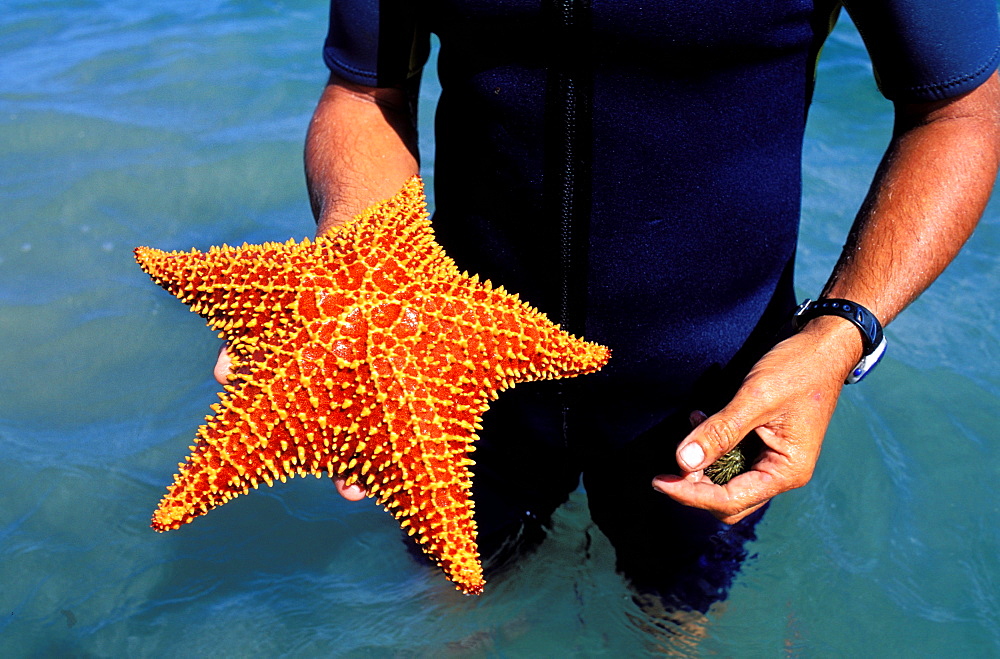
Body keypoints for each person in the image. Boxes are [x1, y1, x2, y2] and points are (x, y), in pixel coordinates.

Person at [217, 1, 1000, 610]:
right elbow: (365, 90)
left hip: (716, 403)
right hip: (456, 387)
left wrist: (839, 335)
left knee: (680, 612)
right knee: (449, 609)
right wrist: (357, 277)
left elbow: (961, 109)